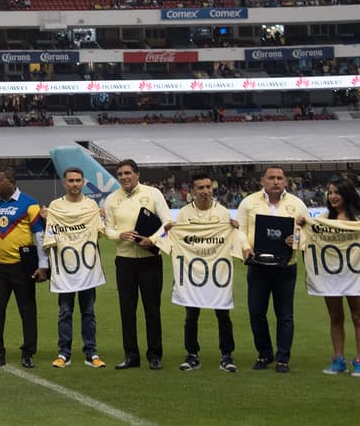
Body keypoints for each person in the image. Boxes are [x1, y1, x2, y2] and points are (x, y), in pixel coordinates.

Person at [298, 177, 360, 378]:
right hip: (331, 275)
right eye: (330, 192)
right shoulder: (325, 216)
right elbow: (309, 237)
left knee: (359, 317)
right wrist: (302, 225)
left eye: (337, 192)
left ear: (347, 194)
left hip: (355, 274)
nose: (333, 196)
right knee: (335, 318)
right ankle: (338, 359)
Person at [168, 174, 243, 374]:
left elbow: (235, 237)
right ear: (193, 191)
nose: (206, 191)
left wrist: (236, 228)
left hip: (218, 272)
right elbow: (176, 239)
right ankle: (192, 355)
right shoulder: (184, 214)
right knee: (191, 315)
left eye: (208, 186)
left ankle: (227, 355)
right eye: (200, 188)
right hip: (192, 271)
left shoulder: (223, 212)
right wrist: (169, 231)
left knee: (223, 313)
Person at [238, 165, 308, 374]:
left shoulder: (297, 204)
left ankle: (283, 358)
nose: (275, 181)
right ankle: (264, 353)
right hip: (258, 265)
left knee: (285, 314)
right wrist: (246, 248)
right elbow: (240, 231)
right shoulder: (249, 203)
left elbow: (306, 234)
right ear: (262, 180)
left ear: (286, 181)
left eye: (279, 178)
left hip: (286, 266)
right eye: (271, 178)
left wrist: (294, 240)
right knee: (256, 312)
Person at [100, 159, 167, 369]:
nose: (124, 177)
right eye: (120, 174)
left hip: (150, 260)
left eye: (128, 173)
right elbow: (106, 229)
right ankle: (131, 355)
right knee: (127, 310)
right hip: (125, 261)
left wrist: (153, 240)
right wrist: (120, 234)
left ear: (137, 174)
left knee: (152, 310)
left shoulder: (153, 193)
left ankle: (154, 355)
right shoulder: (111, 199)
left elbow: (167, 223)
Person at [41, 167, 108, 369]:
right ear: (64, 183)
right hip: (64, 269)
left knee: (88, 312)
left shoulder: (91, 205)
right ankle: (64, 353)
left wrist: (102, 217)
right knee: (65, 311)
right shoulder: (55, 206)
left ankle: (91, 353)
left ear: (83, 182)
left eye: (78, 180)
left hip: (87, 268)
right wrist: (46, 219)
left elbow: (101, 233)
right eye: (71, 180)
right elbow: (49, 238)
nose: (75, 184)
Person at [0, 165, 46, 369]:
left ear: (11, 182)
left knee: (27, 311)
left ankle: (28, 353)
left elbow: (39, 236)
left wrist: (43, 265)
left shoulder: (30, 204)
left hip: (22, 266)